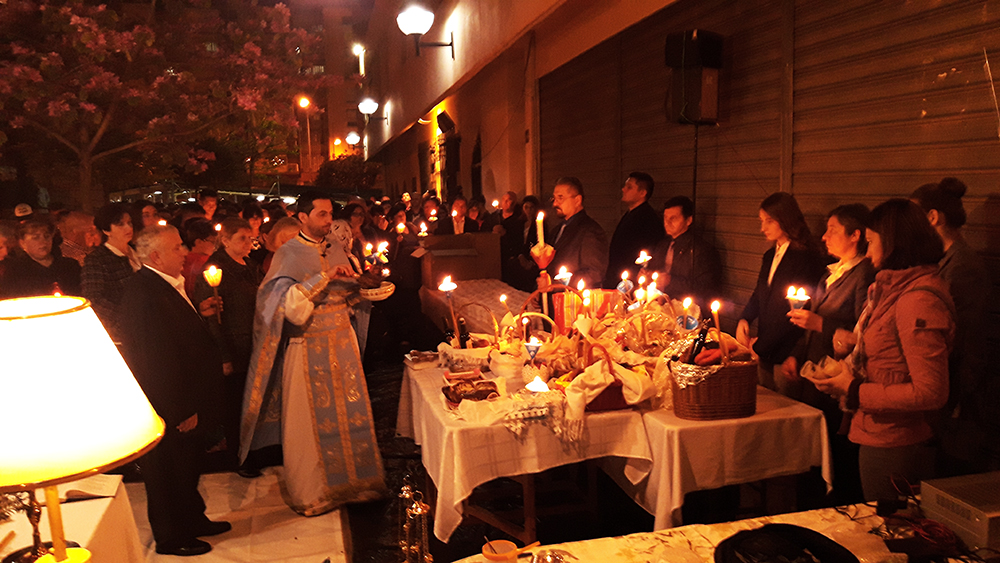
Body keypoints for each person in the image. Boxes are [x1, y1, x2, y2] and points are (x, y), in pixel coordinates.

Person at [241, 191, 386, 517]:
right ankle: (315, 493)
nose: (328, 221)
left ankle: (356, 485)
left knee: (350, 417)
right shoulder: (288, 253)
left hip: (342, 344)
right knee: (308, 425)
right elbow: (279, 303)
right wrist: (323, 278)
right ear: (303, 217)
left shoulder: (336, 247)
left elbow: (349, 294)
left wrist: (362, 283)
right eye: (322, 214)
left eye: (330, 214)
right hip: (307, 347)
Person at [812, 199, 954, 502]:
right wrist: (850, 356)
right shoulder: (889, 289)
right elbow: (889, 354)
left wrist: (854, 389)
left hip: (898, 440)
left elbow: (931, 391)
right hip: (876, 428)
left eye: (872, 241)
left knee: (889, 522)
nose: (867, 250)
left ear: (893, 244)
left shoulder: (918, 300)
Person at [119, 224, 229, 556]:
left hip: (186, 395)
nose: (184, 252)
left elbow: (177, 334)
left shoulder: (163, 284)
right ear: (155, 256)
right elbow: (155, 359)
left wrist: (201, 314)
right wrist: (181, 409)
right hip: (171, 404)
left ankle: (192, 519)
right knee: (169, 470)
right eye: (177, 247)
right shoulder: (144, 293)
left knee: (188, 465)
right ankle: (171, 535)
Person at [781, 203, 874, 504]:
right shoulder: (829, 273)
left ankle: (829, 508)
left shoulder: (864, 274)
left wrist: (822, 324)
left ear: (855, 235)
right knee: (811, 451)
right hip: (815, 372)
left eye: (832, 230)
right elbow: (811, 318)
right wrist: (796, 354)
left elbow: (863, 328)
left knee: (835, 454)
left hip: (838, 378)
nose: (824, 237)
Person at [912, 178, 993, 474]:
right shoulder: (940, 260)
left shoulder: (963, 267)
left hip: (954, 400)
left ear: (933, 218)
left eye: (913, 217)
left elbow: (966, 342)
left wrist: (948, 403)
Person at [737, 192, 825, 397]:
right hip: (764, 347)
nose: (763, 228)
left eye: (769, 221)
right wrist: (745, 317)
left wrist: (760, 346)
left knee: (784, 405)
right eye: (761, 221)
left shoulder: (805, 258)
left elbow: (798, 310)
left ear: (785, 219)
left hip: (786, 351)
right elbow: (760, 293)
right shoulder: (770, 255)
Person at [194, 217, 262, 470]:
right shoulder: (215, 270)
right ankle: (238, 456)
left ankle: (254, 450)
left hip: (254, 343)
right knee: (235, 407)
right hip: (234, 345)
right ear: (225, 240)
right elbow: (212, 317)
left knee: (252, 402)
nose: (248, 244)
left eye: (250, 238)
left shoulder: (250, 265)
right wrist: (224, 356)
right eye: (241, 239)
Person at [644, 196, 722, 304]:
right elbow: (655, 270)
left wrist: (670, 281)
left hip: (685, 306)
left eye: (673, 218)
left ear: (688, 220)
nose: (667, 223)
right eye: (665, 218)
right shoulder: (662, 245)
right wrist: (647, 275)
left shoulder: (701, 250)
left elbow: (706, 287)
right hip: (659, 304)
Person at [82, 203, 142, 342]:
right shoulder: (97, 259)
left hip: (147, 322)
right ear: (106, 230)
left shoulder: (138, 251)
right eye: (120, 224)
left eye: (129, 223)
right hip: (121, 331)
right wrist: (128, 314)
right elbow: (94, 298)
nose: (128, 228)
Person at [537, 177, 608, 289]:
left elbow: (595, 273)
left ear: (577, 200)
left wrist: (554, 284)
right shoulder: (557, 230)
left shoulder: (589, 230)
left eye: (560, 198)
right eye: (554, 198)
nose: (555, 204)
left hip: (574, 297)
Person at [603, 172, 665, 288]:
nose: (623, 189)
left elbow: (649, 253)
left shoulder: (648, 219)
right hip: (618, 278)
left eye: (629, 187)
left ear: (642, 193)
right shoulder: (629, 214)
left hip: (631, 283)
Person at [0, 219, 81, 298]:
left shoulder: (70, 265)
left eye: (46, 236)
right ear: (23, 243)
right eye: (35, 238)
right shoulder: (15, 271)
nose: (43, 241)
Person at [181, 219, 218, 298]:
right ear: (199, 242)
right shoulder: (205, 262)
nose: (215, 246)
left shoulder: (182, 258)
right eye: (213, 242)